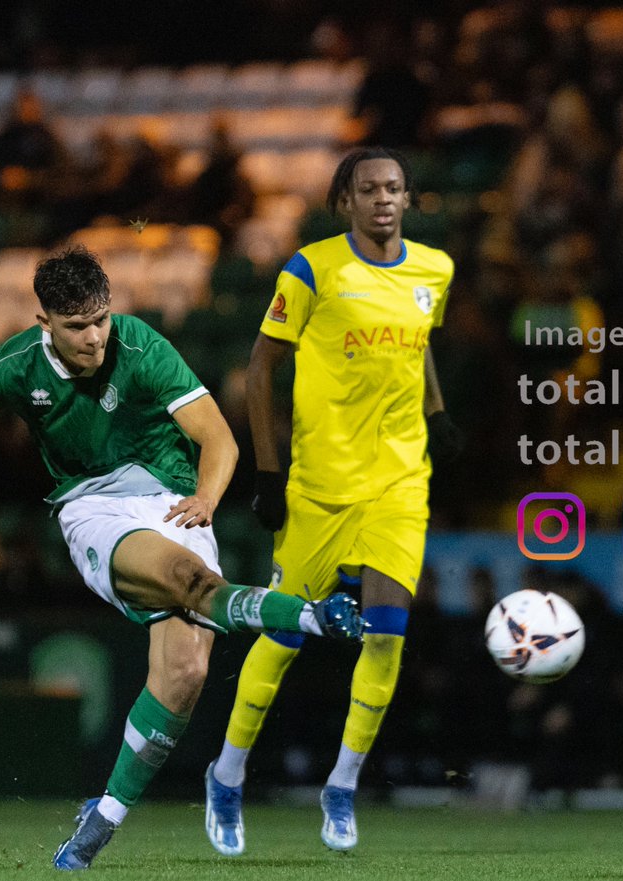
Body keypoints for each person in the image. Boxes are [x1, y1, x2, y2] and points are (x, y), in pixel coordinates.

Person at [0, 246, 364, 870]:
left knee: (186, 675)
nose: (94, 338)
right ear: (46, 325)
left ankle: (104, 814)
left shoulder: (140, 346)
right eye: (77, 326)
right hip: (93, 510)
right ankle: (311, 617)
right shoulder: (14, 365)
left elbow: (217, 436)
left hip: (175, 500)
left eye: (101, 320)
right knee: (187, 579)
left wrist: (206, 496)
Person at [205, 146, 462, 855]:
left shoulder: (433, 268)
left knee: (384, 632)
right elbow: (262, 364)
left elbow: (420, 347)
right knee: (286, 636)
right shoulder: (313, 268)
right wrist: (266, 471)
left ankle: (342, 786)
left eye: (395, 188)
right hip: (319, 484)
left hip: (400, 481)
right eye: (368, 189)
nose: (384, 199)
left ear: (408, 199)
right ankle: (226, 774)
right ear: (344, 201)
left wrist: (436, 414)